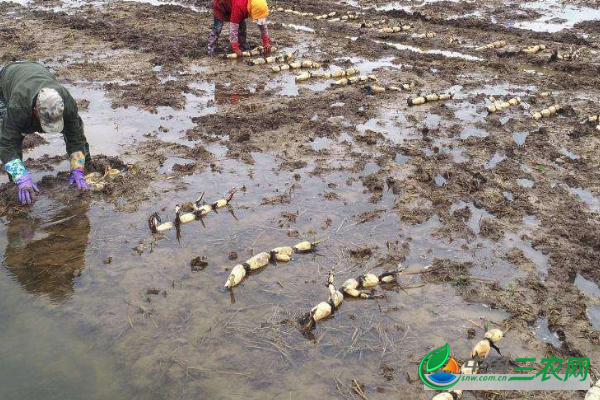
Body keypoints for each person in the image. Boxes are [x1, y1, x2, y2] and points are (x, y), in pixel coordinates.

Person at [0, 62, 91, 205]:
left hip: (37, 69)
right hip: (6, 78)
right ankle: (17, 185)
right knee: (5, 131)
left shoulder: (66, 102)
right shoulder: (18, 106)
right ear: (36, 111)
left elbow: (76, 136)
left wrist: (78, 168)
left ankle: (87, 167)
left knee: (76, 130)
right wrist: (20, 177)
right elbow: (7, 142)